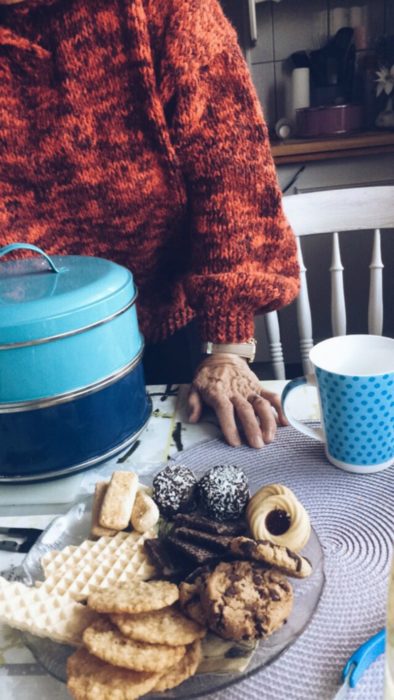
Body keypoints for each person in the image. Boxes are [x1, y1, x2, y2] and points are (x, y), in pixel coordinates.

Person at [0, 0, 300, 449]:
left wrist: (227, 348)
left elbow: (233, 177)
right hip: (18, 353)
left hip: (164, 327)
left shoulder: (169, 11)